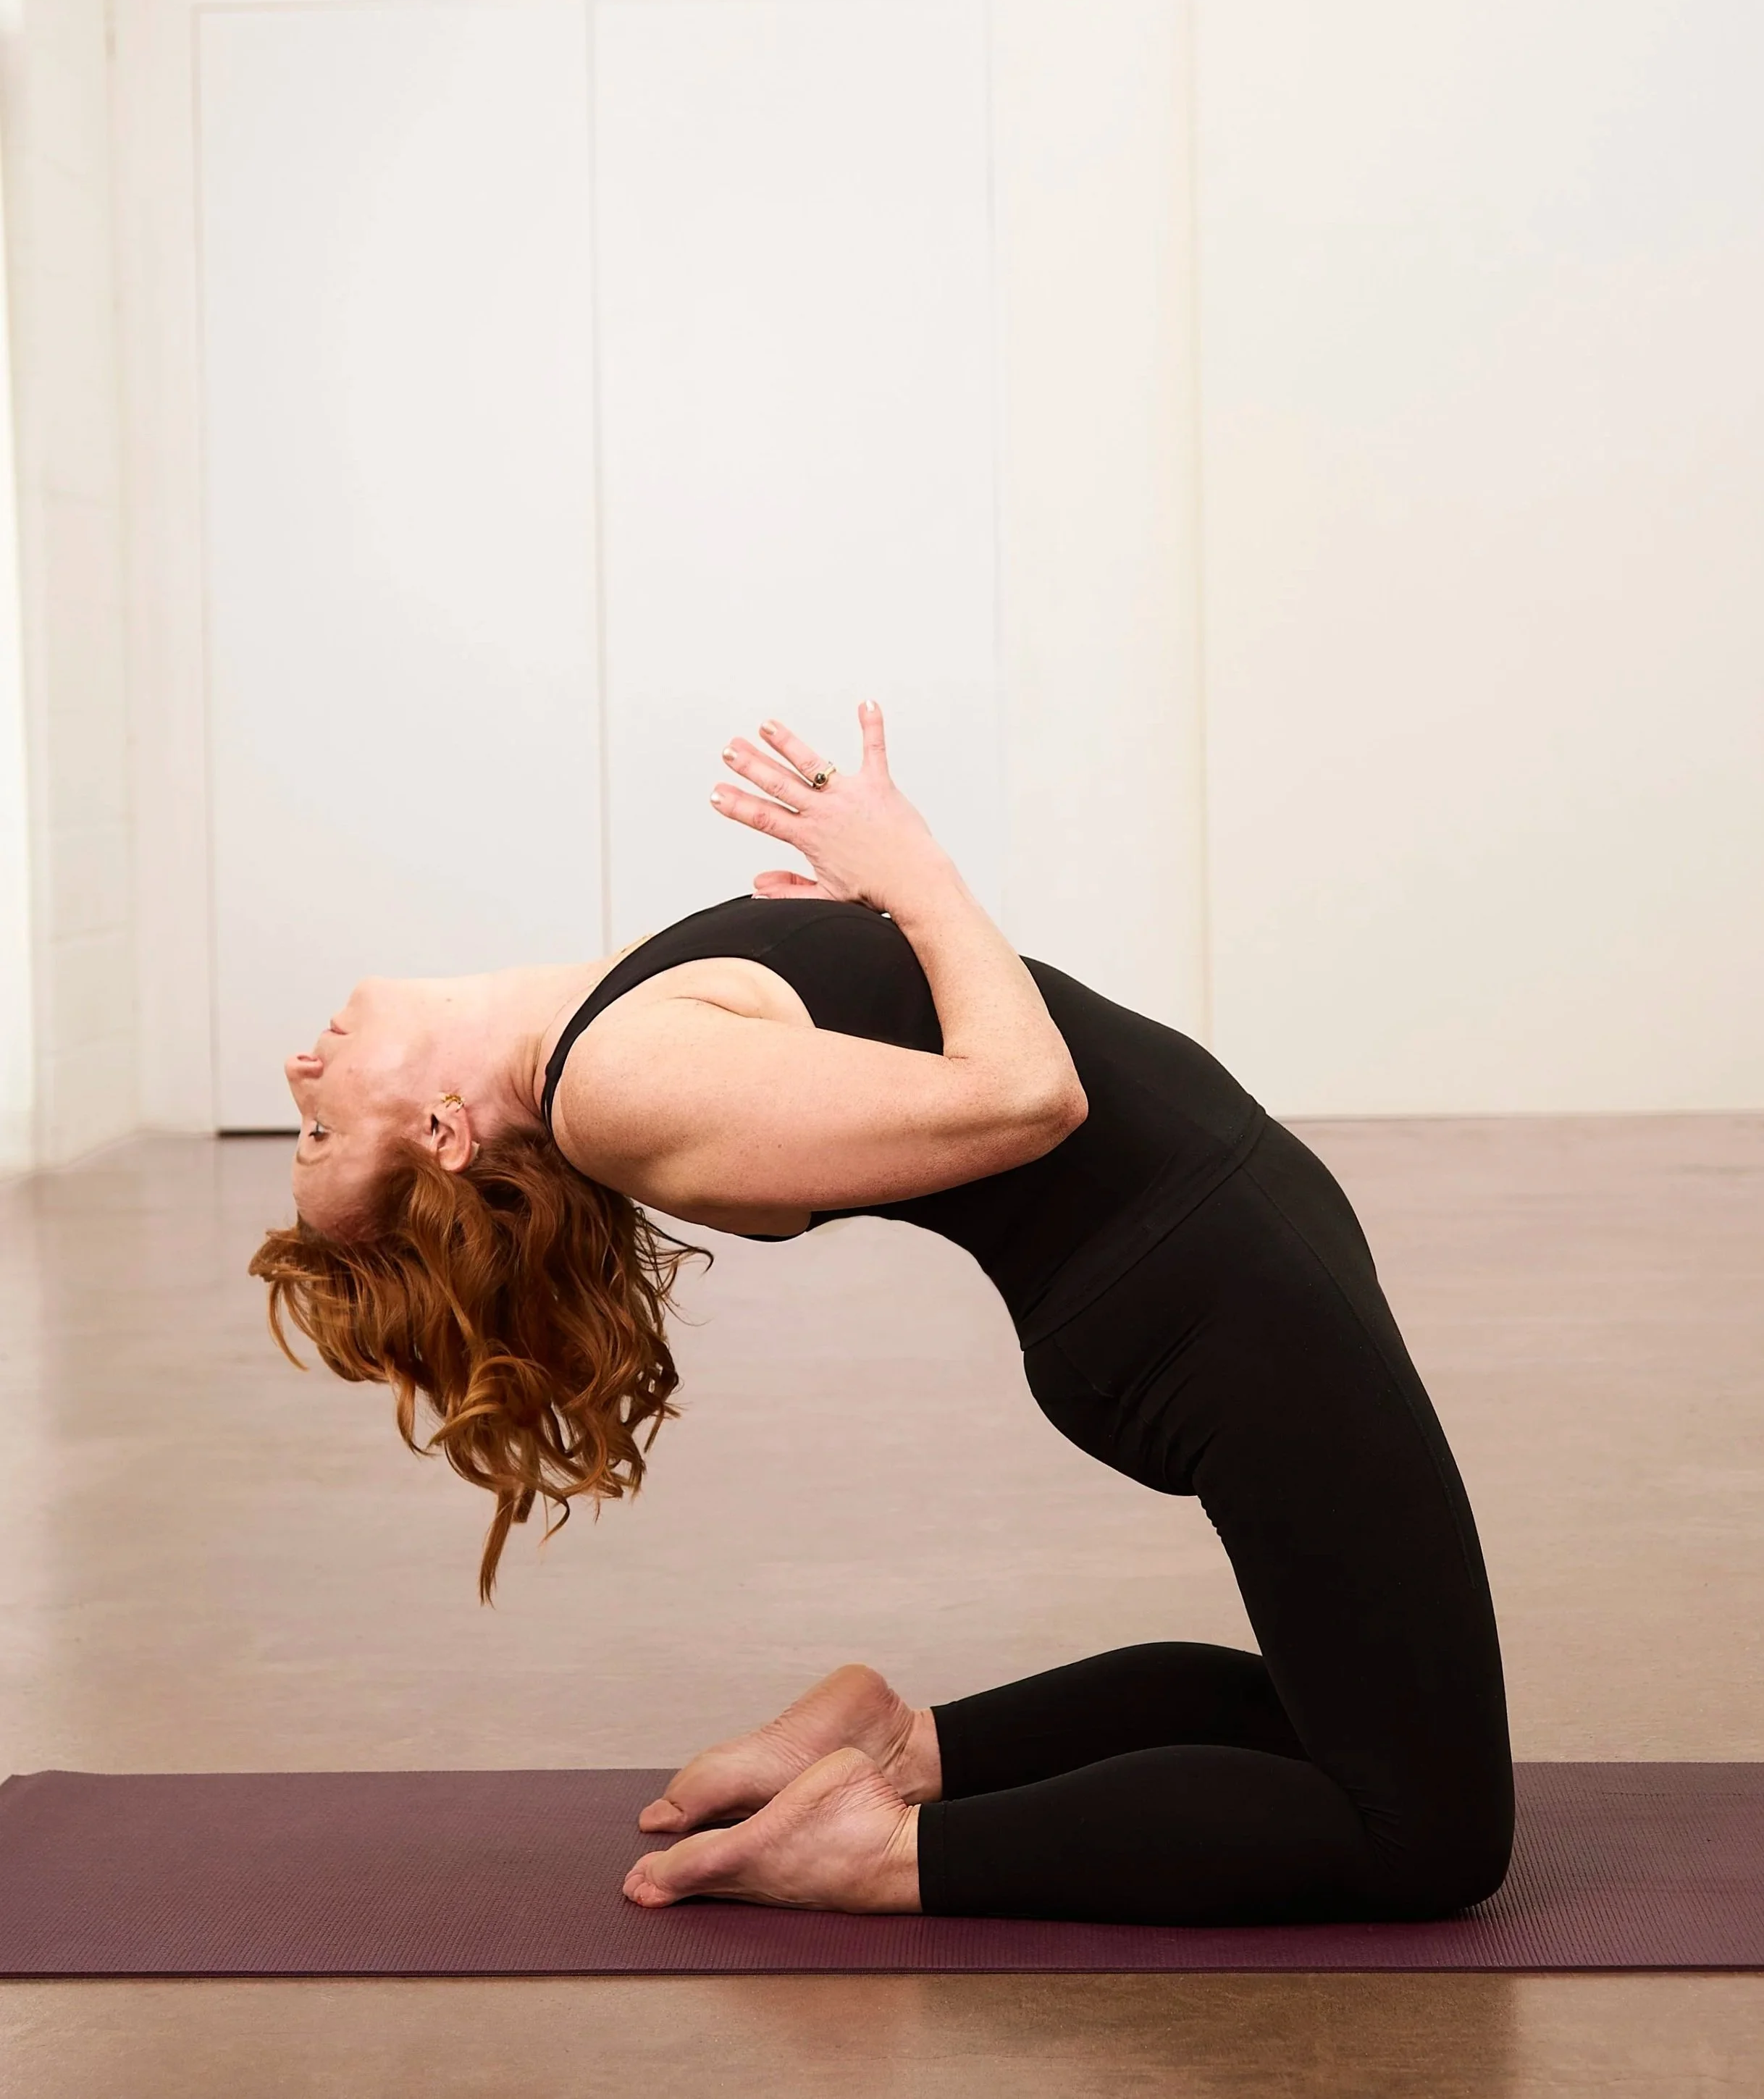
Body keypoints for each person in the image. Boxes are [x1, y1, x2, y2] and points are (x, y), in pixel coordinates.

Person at [253, 702, 1513, 1927]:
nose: (299, 1072)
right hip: (1212, 1308)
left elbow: (950, 1059)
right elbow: (1027, 1097)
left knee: (1342, 1715)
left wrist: (882, 931)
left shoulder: (610, 1031)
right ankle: (890, 1855)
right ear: (440, 1135)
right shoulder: (615, 1085)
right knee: (1425, 1835)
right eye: (321, 1126)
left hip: (1214, 1275)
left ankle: (901, 1749)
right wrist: (919, 878)